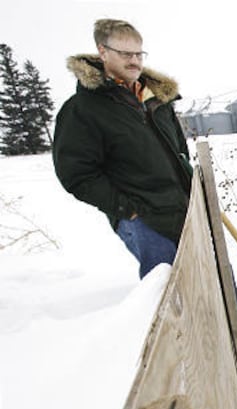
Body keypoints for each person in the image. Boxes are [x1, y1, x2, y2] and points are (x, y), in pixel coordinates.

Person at [53, 18, 192, 279]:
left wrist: (196, 192)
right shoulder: (83, 110)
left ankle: (231, 320)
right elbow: (77, 174)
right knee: (167, 288)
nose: (135, 61)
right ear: (102, 52)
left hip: (181, 208)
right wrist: (126, 209)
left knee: (212, 278)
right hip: (141, 216)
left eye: (139, 54)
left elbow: (179, 154)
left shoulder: (158, 101)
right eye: (125, 54)